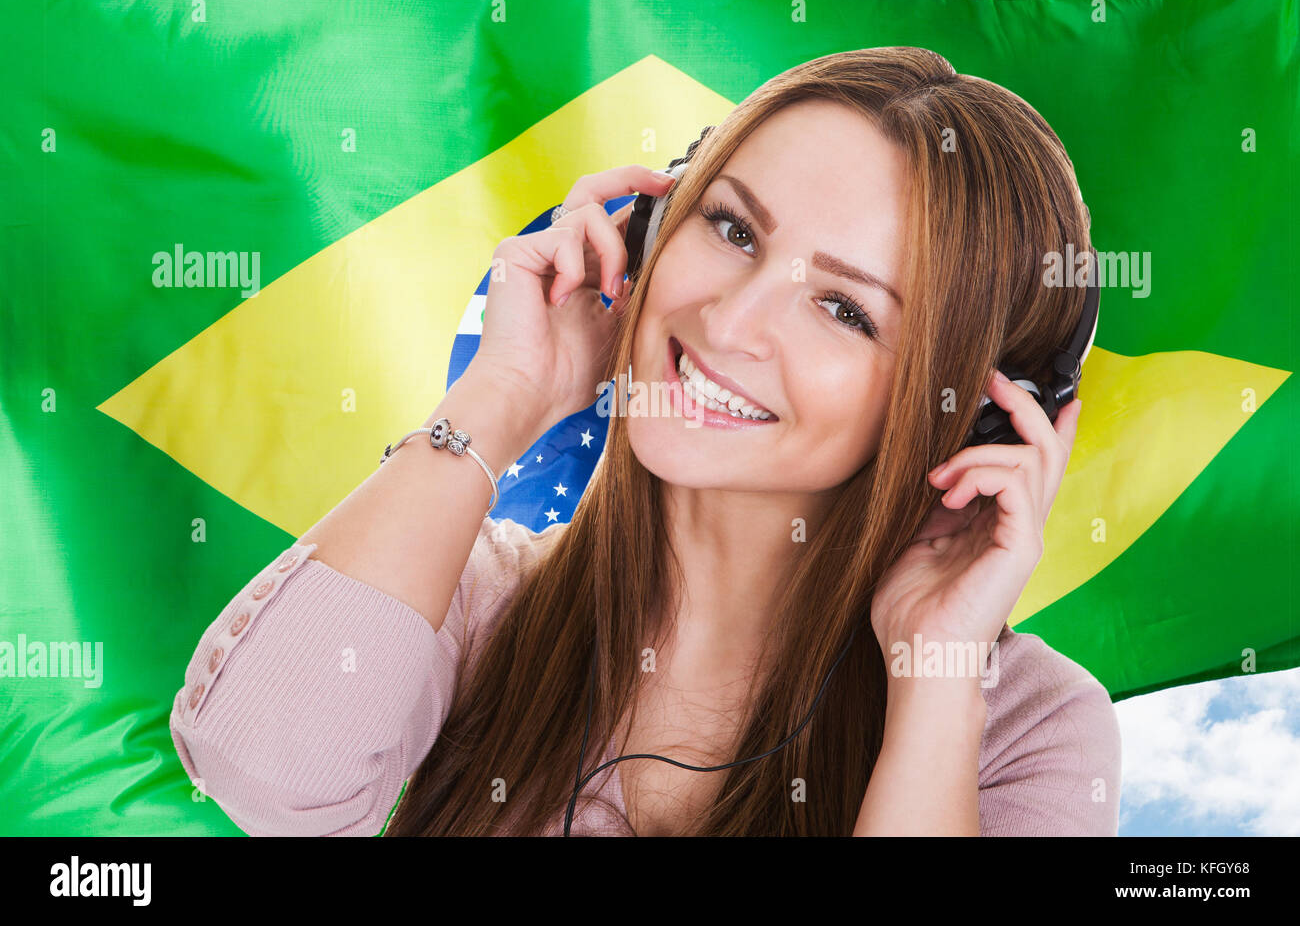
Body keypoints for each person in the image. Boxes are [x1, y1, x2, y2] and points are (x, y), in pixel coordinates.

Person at [170, 46, 1120, 837]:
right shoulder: (477, 591)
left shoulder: (1026, 726)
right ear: (652, 223)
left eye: (843, 307)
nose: (731, 317)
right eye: (733, 228)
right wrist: (503, 393)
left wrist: (936, 679)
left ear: (978, 417)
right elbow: (262, 771)